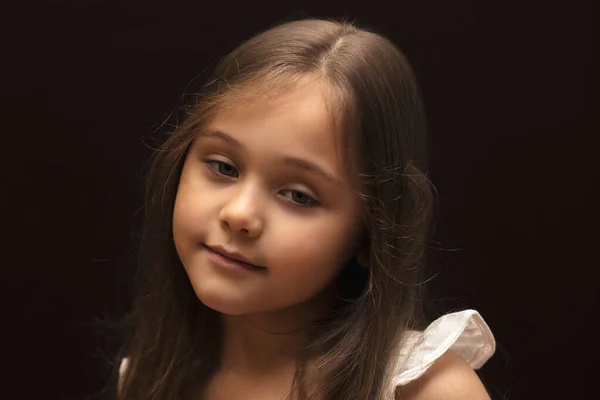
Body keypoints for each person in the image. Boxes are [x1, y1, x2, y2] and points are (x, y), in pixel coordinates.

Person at [114, 18, 495, 400]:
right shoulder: (151, 379)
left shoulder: (422, 390)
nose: (239, 214)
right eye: (223, 167)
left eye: (298, 196)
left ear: (370, 233)